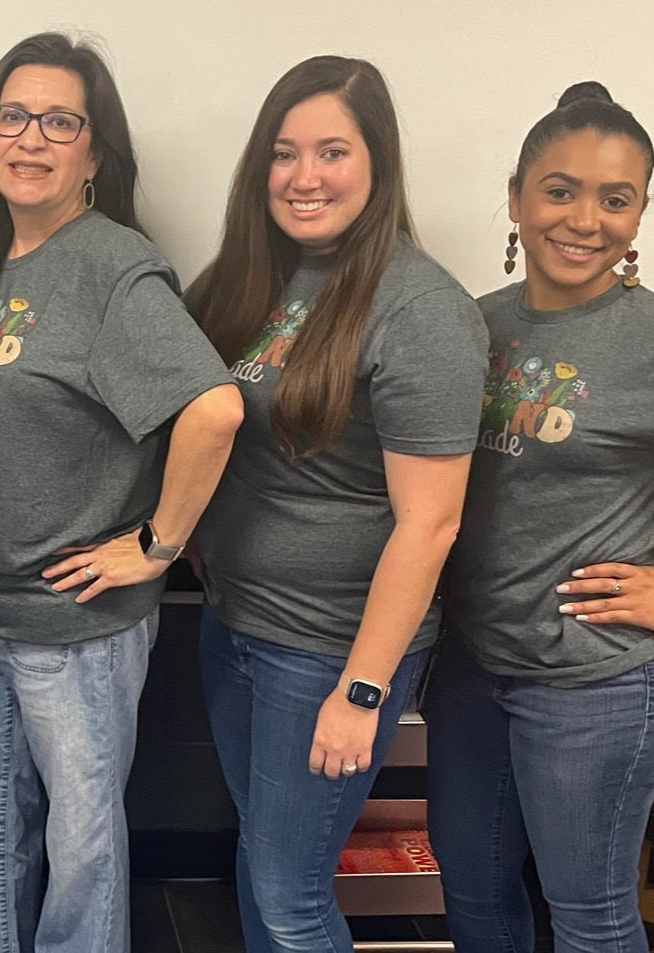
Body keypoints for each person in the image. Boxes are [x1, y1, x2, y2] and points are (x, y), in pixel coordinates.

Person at [426, 81, 654, 953]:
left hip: (602, 684)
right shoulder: (476, 326)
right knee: (470, 894)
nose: (584, 219)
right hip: (472, 670)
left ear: (639, 214)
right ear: (514, 196)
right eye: (559, 189)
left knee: (587, 918)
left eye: (614, 199)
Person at [0, 31, 243, 953]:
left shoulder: (112, 265)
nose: (30, 138)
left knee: (80, 848)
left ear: (93, 154)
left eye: (59, 122)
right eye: (11, 117)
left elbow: (212, 411)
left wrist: (155, 546)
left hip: (75, 628)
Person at [187, 56, 488, 953]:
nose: (304, 177)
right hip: (234, 623)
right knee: (266, 863)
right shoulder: (259, 281)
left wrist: (361, 689)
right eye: (284, 153)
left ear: (378, 165)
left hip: (325, 652)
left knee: (288, 895)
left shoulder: (419, 309)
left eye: (331, 152)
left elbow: (430, 522)